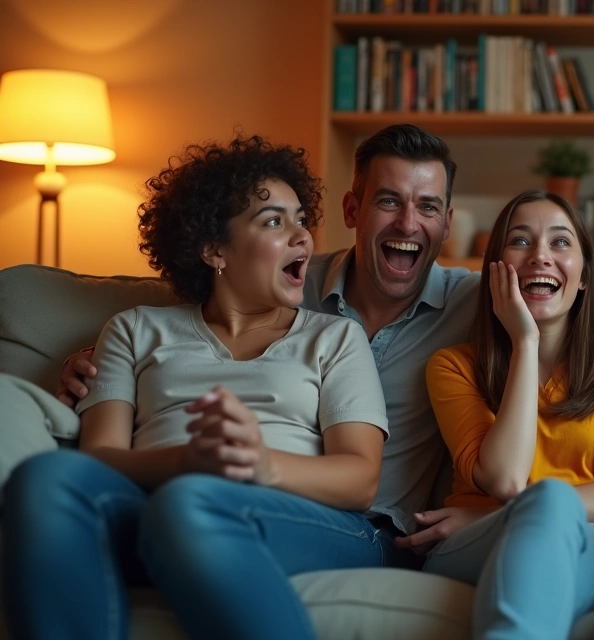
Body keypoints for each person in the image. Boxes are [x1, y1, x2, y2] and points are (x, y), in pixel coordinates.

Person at [55, 124, 594, 546]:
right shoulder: (288, 300)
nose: (409, 222)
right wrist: (92, 360)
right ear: (351, 211)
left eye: (429, 207)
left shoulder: (486, 298)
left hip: (371, 525)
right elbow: (191, 313)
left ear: (448, 223)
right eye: (388, 202)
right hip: (303, 507)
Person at [2, 136, 391, 640]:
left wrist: (261, 464)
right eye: (274, 221)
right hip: (153, 505)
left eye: (300, 218)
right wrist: (185, 462)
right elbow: (98, 457)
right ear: (213, 250)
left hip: (305, 517)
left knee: (189, 504)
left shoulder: (336, 336)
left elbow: (361, 481)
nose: (302, 237)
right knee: (47, 476)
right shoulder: (134, 329)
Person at [410, 190, 594, 639]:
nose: (540, 256)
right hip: (477, 541)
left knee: (543, 575)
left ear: (583, 279)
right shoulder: (452, 367)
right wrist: (525, 341)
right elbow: (504, 479)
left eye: (560, 243)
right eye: (520, 241)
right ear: (494, 271)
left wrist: (522, 511)